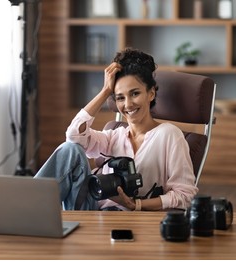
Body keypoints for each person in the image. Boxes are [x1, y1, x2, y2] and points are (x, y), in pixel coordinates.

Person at [35, 47, 197, 211]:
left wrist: (136, 205)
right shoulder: (113, 137)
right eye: (120, 97)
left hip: (134, 218)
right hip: (94, 211)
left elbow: (184, 195)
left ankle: (27, 211)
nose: (127, 104)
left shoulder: (169, 135)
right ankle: (26, 208)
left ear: (151, 93)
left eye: (135, 94)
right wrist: (105, 91)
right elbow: (73, 136)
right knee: (70, 149)